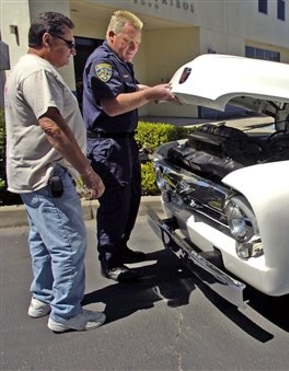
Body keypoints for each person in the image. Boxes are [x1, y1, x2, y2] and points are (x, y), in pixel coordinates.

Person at [4, 11, 106, 333]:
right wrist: (87, 171)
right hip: (47, 175)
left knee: (42, 240)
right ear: (47, 39)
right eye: (70, 44)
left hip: (31, 174)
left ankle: (43, 297)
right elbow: (52, 127)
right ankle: (65, 313)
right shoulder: (38, 72)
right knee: (69, 244)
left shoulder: (25, 67)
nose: (74, 51)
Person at [82, 10, 178, 282]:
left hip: (123, 144)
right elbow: (112, 106)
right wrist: (151, 94)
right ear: (111, 35)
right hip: (108, 145)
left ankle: (120, 248)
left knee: (130, 199)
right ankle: (110, 260)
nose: (133, 49)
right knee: (114, 203)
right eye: (129, 42)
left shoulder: (120, 62)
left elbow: (131, 86)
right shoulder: (102, 62)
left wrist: (161, 95)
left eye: (137, 44)